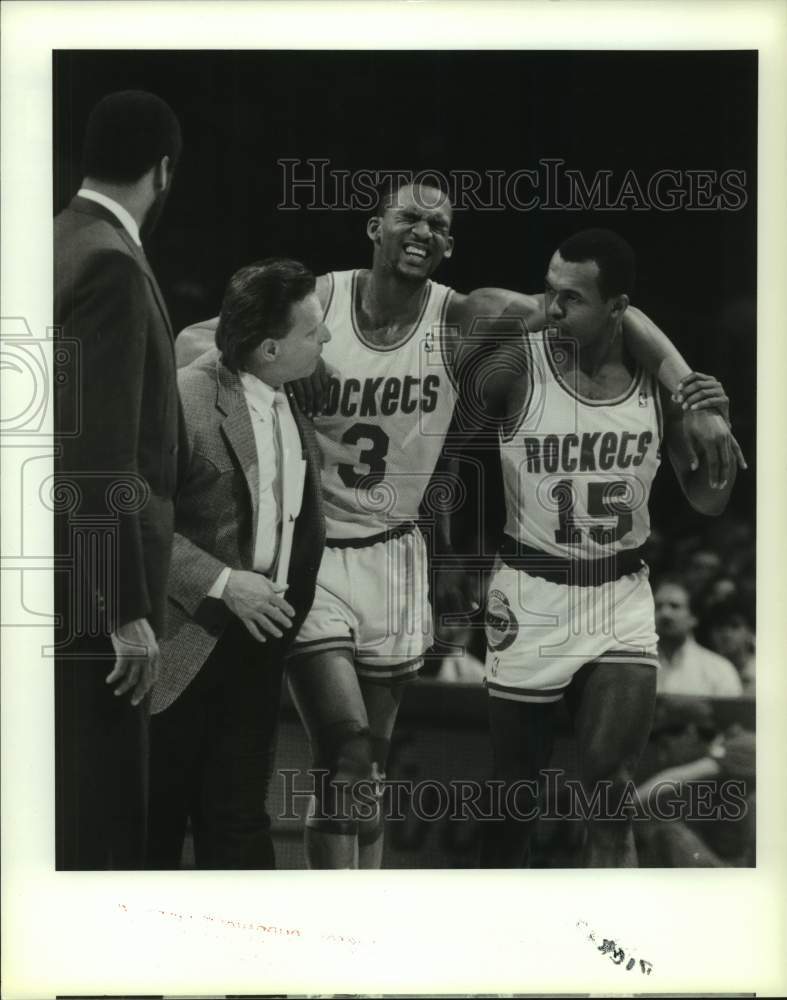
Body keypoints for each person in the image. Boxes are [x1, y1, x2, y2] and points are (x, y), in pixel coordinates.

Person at [177, 180, 740, 870]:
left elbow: (609, 311)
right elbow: (190, 341)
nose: (423, 231)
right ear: (373, 226)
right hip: (315, 553)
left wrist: (689, 389)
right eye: (408, 216)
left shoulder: (468, 316)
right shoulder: (315, 303)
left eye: (439, 225)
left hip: (396, 555)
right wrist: (292, 355)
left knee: (369, 766)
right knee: (345, 750)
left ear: (449, 245)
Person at [476, 228, 740, 868]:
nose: (553, 309)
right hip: (531, 592)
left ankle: (612, 950)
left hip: (619, 593)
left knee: (611, 790)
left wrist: (719, 432)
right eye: (549, 292)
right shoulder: (518, 364)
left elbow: (709, 501)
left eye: (572, 299)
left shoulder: (655, 388)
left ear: (617, 307)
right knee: (514, 799)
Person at [146, 259, 328, 869]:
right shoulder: (187, 395)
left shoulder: (286, 394)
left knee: (241, 827)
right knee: (158, 826)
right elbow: (139, 521)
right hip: (183, 641)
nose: (325, 340)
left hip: (256, 647)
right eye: (312, 332)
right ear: (270, 347)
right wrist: (225, 584)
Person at [54, 90, 185, 869]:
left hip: (51, 576)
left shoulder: (54, 241)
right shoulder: (111, 263)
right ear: (163, 170)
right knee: (101, 831)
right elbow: (96, 453)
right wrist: (121, 609)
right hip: (88, 603)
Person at [655, 577, 743, 697]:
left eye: (674, 606)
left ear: (693, 617)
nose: (665, 614)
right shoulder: (634, 667)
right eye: (658, 607)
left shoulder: (720, 670)